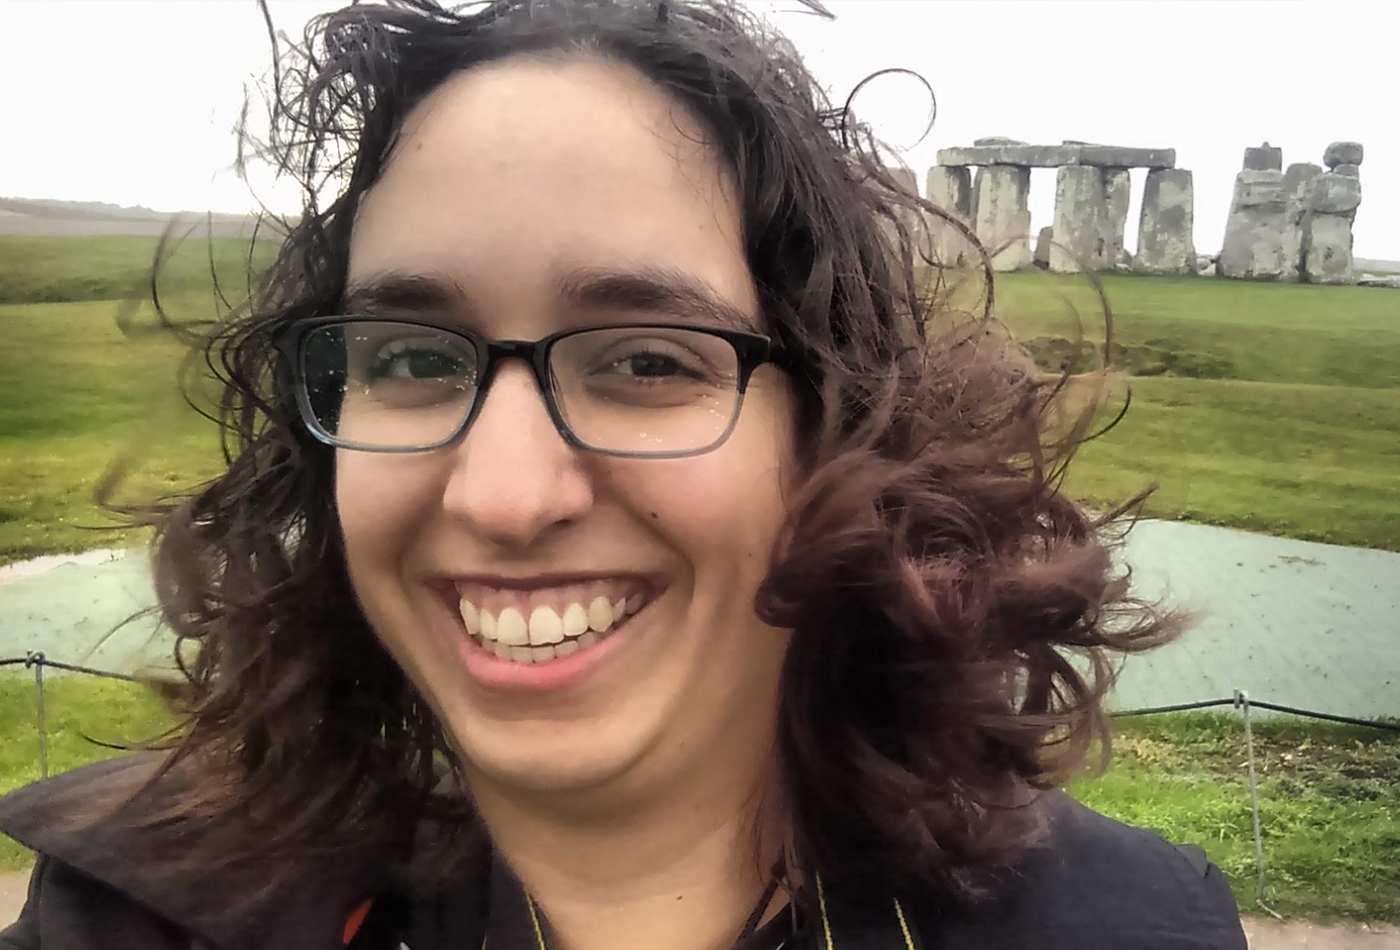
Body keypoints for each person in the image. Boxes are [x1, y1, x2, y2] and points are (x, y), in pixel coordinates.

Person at [0, 1, 1247, 948]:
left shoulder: (1122, 926)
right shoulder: (148, 910)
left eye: (647, 359)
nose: (497, 492)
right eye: (408, 357)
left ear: (835, 428)